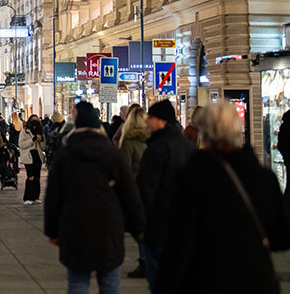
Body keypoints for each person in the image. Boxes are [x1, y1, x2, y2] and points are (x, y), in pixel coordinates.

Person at [156, 103, 290, 294]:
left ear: (205, 133)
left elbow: (179, 244)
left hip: (207, 280)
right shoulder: (264, 178)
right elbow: (282, 237)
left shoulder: (193, 177)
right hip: (255, 280)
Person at [44, 103, 144, 294]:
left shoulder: (65, 155)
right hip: (109, 226)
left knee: (78, 283)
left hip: (75, 225)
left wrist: (52, 230)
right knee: (109, 283)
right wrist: (137, 226)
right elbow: (130, 194)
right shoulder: (113, 154)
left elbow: (53, 196)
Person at [135, 100, 195, 292]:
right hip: (185, 226)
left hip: (159, 226)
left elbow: (146, 189)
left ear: (161, 121)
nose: (147, 123)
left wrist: (144, 222)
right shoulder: (189, 147)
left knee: (160, 282)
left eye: (150, 118)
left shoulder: (156, 149)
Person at [118, 106, 149, 279]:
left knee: (140, 225)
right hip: (153, 189)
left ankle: (144, 260)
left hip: (137, 190)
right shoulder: (152, 139)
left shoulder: (128, 141)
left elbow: (125, 169)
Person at [19, 114, 45, 205]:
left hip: (37, 156)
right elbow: (21, 144)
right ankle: (27, 197)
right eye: (33, 120)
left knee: (37, 177)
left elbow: (43, 146)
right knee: (31, 177)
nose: (35, 122)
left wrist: (41, 139)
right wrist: (32, 140)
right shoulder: (24, 131)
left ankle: (36, 197)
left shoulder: (40, 131)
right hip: (29, 156)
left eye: (36, 120)